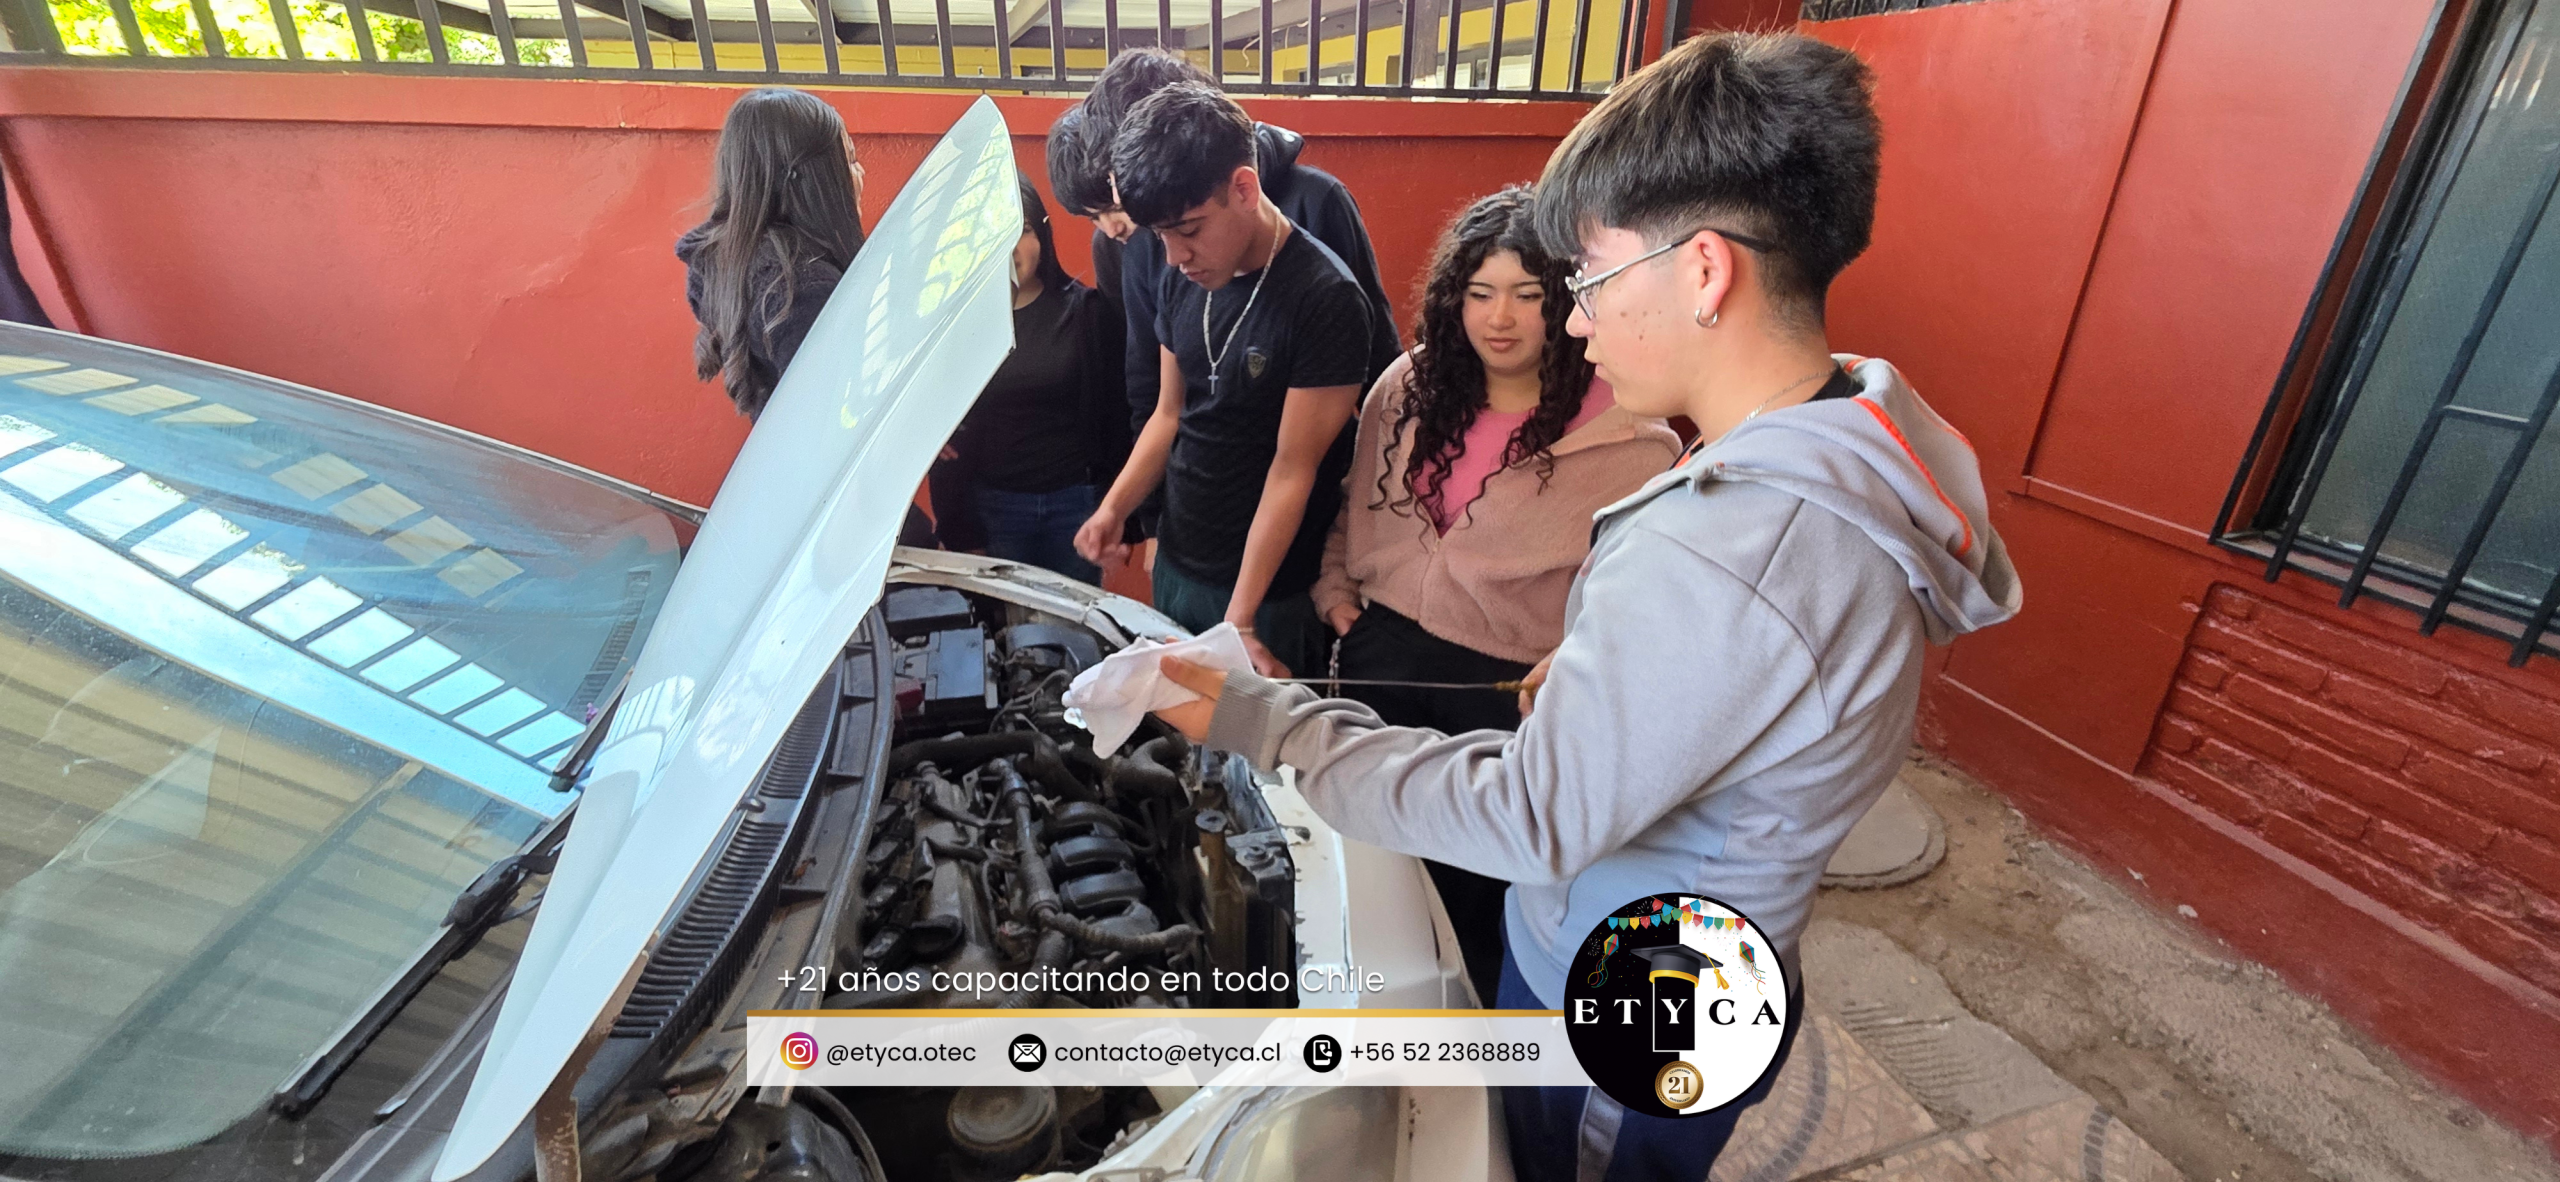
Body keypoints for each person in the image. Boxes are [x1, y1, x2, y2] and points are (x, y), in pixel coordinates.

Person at [1143, 32, 2022, 1181]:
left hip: (1626, 995)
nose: (1573, 322)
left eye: (1591, 279)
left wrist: (1265, 721)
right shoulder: (1839, 441)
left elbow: (1532, 817)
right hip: (1701, 958)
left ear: (1703, 272)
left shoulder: (1730, 546)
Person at [1309, 185, 1679, 1003]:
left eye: (1526, 294)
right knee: (1371, 875)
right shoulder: (1407, 388)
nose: (1499, 318)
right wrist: (1336, 591)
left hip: (1502, 695)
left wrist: (1565, 675)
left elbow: (1631, 610)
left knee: (1477, 897)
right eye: (1479, 293)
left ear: (1568, 302)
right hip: (1378, 662)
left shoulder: (1629, 439)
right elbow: (1352, 501)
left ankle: (1472, 1037)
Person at [1071, 83, 1373, 681]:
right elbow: (1168, 415)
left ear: (1244, 188)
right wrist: (1115, 509)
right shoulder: (1180, 272)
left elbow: (1293, 469)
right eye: (1160, 235)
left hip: (1269, 592)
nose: (1175, 255)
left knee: (1259, 740)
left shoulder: (1326, 299)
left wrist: (1242, 619)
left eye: (1189, 229)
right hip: (1181, 562)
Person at [1047, 49, 1400, 546]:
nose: (1170, 250)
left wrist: (1381, 509)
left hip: (1311, 514)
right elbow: (1149, 390)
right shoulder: (1128, 241)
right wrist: (1151, 521)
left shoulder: (1316, 202)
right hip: (1198, 519)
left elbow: (1380, 369)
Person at [928, 178, 1128, 582]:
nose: (1010, 247)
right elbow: (941, 439)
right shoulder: (957, 328)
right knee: (999, 621)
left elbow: (1118, 415)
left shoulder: (1087, 312)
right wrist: (958, 530)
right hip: (994, 509)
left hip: (1076, 506)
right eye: (994, 233)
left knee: (1074, 621)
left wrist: (1122, 512)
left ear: (1043, 234)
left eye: (1021, 231)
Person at [675, 86, 867, 421]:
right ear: (812, 180)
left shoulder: (724, 260)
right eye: (849, 160)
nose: (860, 172)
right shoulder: (803, 286)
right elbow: (827, 416)